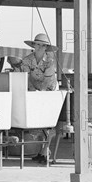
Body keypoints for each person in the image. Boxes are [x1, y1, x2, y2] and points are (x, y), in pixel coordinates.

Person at [17, 33, 58, 164]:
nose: (40, 47)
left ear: (46, 47)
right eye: (38, 44)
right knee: (37, 124)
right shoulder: (27, 60)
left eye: (43, 45)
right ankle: (41, 151)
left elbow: (48, 81)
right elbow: (26, 78)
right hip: (33, 93)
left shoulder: (50, 61)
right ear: (33, 45)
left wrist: (41, 94)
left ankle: (45, 149)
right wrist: (33, 92)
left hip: (49, 94)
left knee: (49, 123)